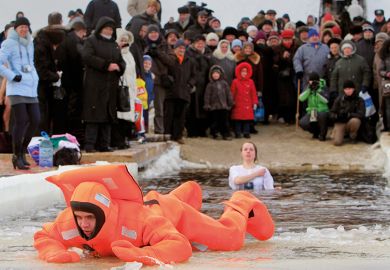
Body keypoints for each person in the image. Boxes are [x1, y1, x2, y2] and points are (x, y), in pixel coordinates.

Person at [33, 164, 274, 264]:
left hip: (170, 215)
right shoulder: (71, 221)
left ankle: (241, 203)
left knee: (231, 240)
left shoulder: (136, 222)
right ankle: (188, 192)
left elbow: (180, 247)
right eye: (81, 218)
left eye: (90, 218)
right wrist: (53, 252)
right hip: (152, 204)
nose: (84, 224)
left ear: (104, 214)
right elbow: (44, 237)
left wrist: (142, 254)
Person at [0, 17, 40, 169]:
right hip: (16, 87)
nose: (24, 29)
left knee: (36, 120)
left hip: (30, 87)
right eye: (21, 27)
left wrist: (34, 77)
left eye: (26, 27)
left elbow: (31, 63)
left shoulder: (30, 43)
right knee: (21, 120)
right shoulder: (8, 43)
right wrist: (11, 75)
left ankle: (23, 151)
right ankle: (16, 155)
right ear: (16, 29)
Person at [81, 17, 126, 153]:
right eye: (107, 28)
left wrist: (119, 66)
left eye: (111, 29)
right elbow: (87, 57)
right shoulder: (91, 41)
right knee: (94, 115)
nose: (109, 31)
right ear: (100, 28)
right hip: (95, 85)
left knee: (108, 115)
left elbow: (121, 61)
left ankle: (104, 144)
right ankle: (90, 144)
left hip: (110, 85)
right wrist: (106, 65)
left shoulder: (114, 44)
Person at [330, 80, 365, 146]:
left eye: (350, 89)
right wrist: (337, 116)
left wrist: (349, 115)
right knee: (337, 143)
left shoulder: (359, 100)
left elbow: (362, 114)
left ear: (353, 89)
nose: (348, 91)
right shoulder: (339, 99)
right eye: (346, 89)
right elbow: (331, 112)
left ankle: (352, 136)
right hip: (340, 122)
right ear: (343, 90)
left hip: (351, 121)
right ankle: (337, 132)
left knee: (355, 121)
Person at [203, 65, 234, 140]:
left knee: (224, 121)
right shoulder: (210, 85)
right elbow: (207, 95)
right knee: (215, 121)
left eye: (217, 73)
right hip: (214, 107)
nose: (215, 75)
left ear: (220, 75)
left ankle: (225, 134)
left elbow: (228, 94)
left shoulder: (224, 84)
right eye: (214, 74)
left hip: (224, 106)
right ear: (211, 75)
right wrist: (207, 104)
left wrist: (230, 102)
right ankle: (215, 133)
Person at [298, 72, 329, 141]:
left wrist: (317, 91)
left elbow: (326, 101)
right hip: (312, 111)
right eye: (310, 81)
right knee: (303, 123)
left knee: (322, 116)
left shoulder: (323, 86)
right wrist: (309, 90)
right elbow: (300, 98)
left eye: (314, 81)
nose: (312, 82)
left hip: (322, 110)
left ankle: (322, 134)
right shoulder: (308, 87)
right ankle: (316, 132)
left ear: (318, 80)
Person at [231, 62, 258, 139]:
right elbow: (232, 93)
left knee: (247, 120)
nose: (244, 73)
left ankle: (246, 132)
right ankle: (238, 132)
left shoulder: (251, 82)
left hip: (247, 104)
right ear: (239, 72)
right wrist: (232, 102)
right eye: (242, 71)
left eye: (245, 71)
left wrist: (255, 103)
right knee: (238, 120)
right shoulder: (235, 81)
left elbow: (253, 93)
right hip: (238, 104)